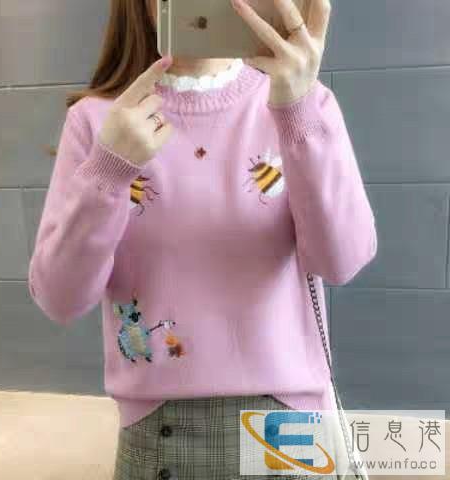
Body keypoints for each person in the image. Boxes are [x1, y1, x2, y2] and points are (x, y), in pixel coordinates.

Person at [28, 0, 376, 478]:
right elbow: (59, 298)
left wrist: (299, 111)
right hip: (158, 430)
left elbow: (342, 261)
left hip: (288, 419)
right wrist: (109, 170)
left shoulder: (299, 98)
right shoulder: (99, 121)